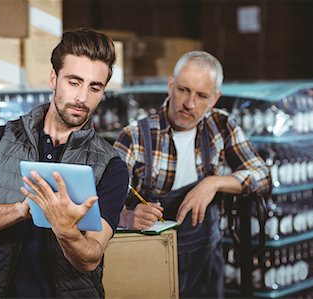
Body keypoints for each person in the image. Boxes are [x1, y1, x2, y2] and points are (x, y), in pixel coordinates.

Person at [0, 28, 128, 298]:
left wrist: (66, 230)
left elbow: (91, 256)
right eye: (74, 81)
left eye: (95, 87)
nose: (82, 97)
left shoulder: (111, 166)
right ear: (53, 78)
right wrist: (24, 209)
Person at [113, 51, 271, 298]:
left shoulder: (221, 126)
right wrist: (126, 217)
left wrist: (213, 183)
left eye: (202, 96)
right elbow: (101, 204)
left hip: (205, 265)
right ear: (170, 85)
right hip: (148, 264)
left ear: (215, 98)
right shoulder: (135, 136)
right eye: (183, 90)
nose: (189, 104)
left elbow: (262, 176)